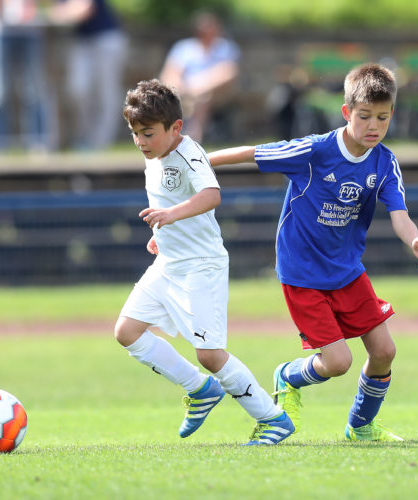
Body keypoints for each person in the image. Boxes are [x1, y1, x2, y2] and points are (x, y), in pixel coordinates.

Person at [208, 63, 418, 441]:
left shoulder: (384, 162)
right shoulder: (314, 150)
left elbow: (400, 215)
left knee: (384, 351)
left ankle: (361, 427)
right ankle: (287, 376)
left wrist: (415, 240)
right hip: (302, 272)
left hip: (347, 271)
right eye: (364, 116)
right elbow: (253, 152)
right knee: (338, 362)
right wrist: (196, 162)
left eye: (382, 117)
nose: (373, 125)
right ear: (347, 113)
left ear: (392, 114)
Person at [114, 79, 294, 446]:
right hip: (169, 263)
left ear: (175, 128)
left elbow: (211, 195)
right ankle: (199, 390)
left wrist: (171, 215)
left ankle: (272, 418)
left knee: (210, 354)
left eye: (147, 133)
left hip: (201, 265)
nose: (140, 142)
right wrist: (162, 233)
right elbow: (173, 201)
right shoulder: (155, 155)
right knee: (127, 332)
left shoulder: (189, 154)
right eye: (135, 133)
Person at [48, 0, 127, 150]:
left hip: (107, 39)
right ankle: (86, 139)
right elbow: (55, 12)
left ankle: (101, 142)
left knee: (106, 93)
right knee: (77, 90)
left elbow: (84, 10)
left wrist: (66, 12)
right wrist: (67, 11)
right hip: (82, 41)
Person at [159, 11, 240, 143]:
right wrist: (181, 87)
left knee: (202, 96)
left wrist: (201, 84)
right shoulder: (183, 47)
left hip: (216, 92)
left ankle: (193, 138)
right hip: (185, 91)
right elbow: (169, 73)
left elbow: (228, 73)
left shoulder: (225, 47)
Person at [0, 0, 54, 151]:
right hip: (3, 31)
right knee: (0, 92)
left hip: (30, 32)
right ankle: (0, 143)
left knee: (34, 92)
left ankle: (39, 142)